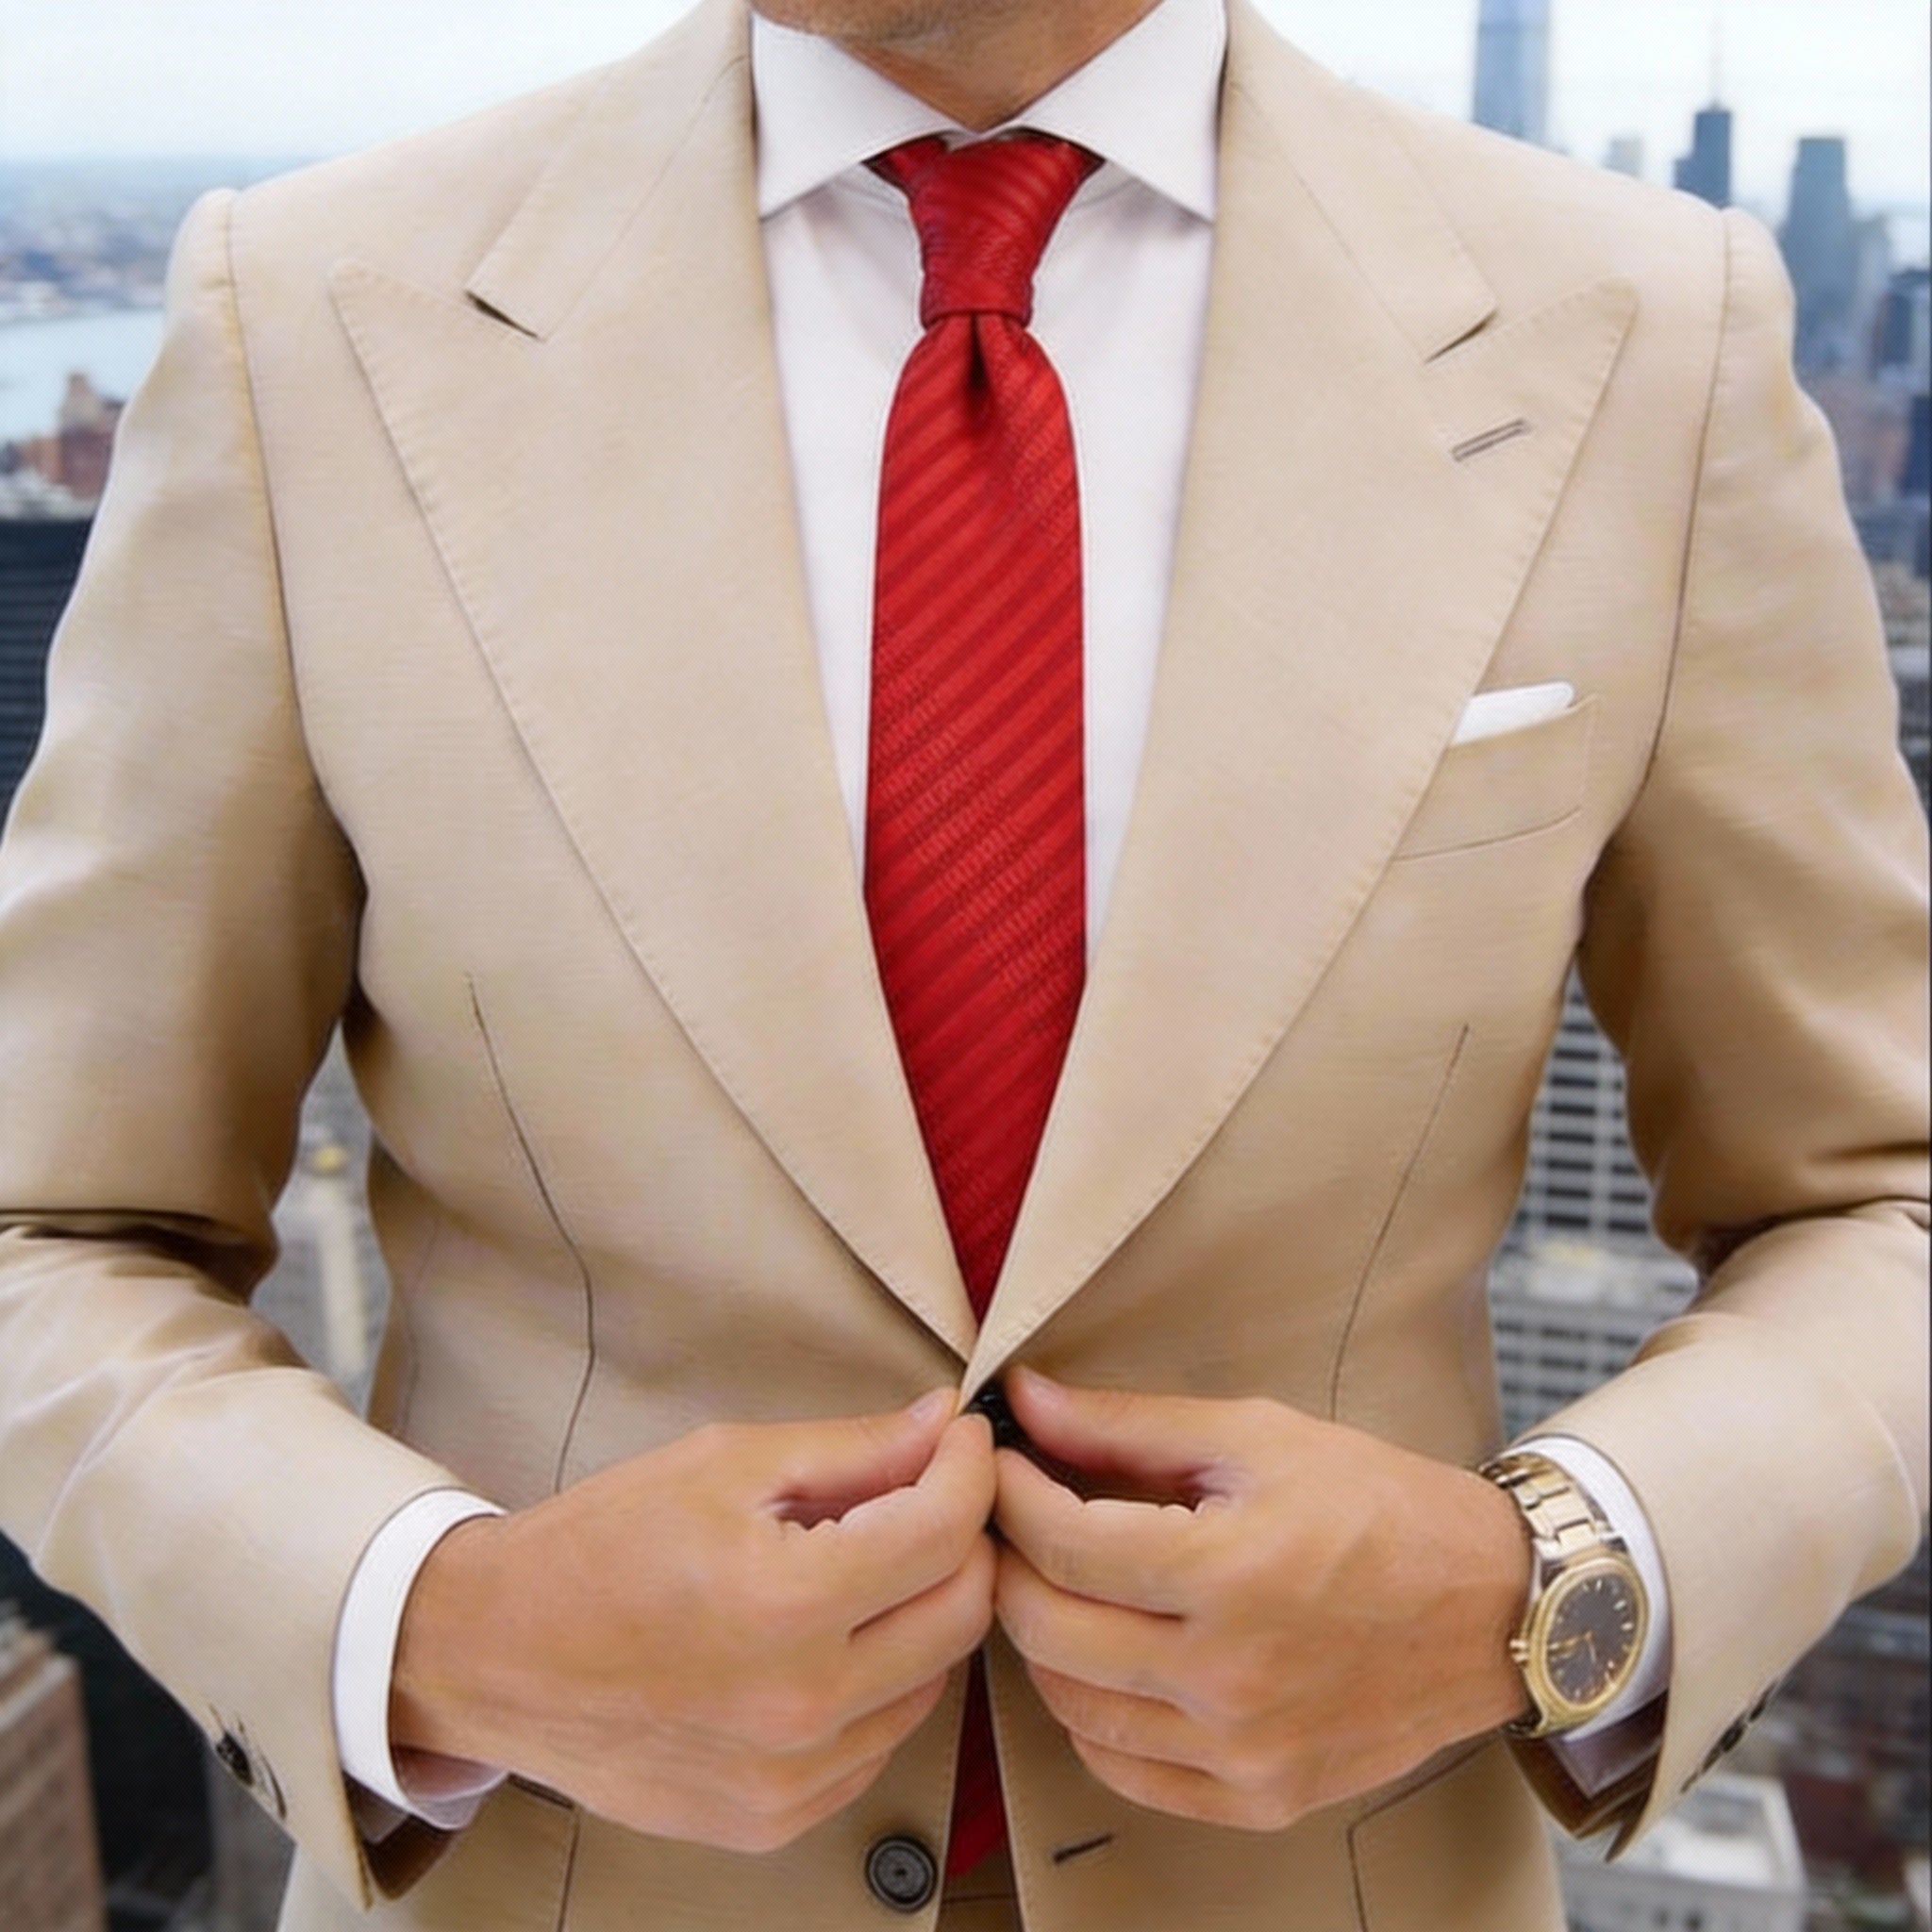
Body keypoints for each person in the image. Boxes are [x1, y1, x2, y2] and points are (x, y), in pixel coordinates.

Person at [0, 0, 1924, 1926]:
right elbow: (49, 1231)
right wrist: (443, 1624)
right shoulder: (310, 316)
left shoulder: (1643, 333)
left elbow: (1878, 1203)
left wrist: (1544, 1588)